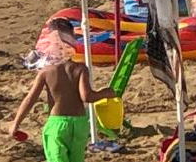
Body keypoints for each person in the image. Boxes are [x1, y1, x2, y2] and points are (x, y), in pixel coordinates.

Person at [7, 18, 116, 161]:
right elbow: (87, 97)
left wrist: (16, 123)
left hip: (58, 123)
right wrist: (106, 93)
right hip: (79, 124)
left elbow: (30, 99)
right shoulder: (80, 68)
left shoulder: (47, 72)